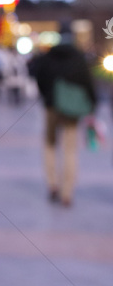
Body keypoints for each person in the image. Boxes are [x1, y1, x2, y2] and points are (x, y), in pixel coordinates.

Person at [31, 23, 96, 206]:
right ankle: (67, 192)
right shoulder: (78, 56)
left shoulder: (49, 55)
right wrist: (92, 103)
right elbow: (87, 82)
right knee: (70, 149)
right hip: (72, 108)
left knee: (50, 145)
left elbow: (39, 77)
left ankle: (52, 184)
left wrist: (47, 96)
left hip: (51, 106)